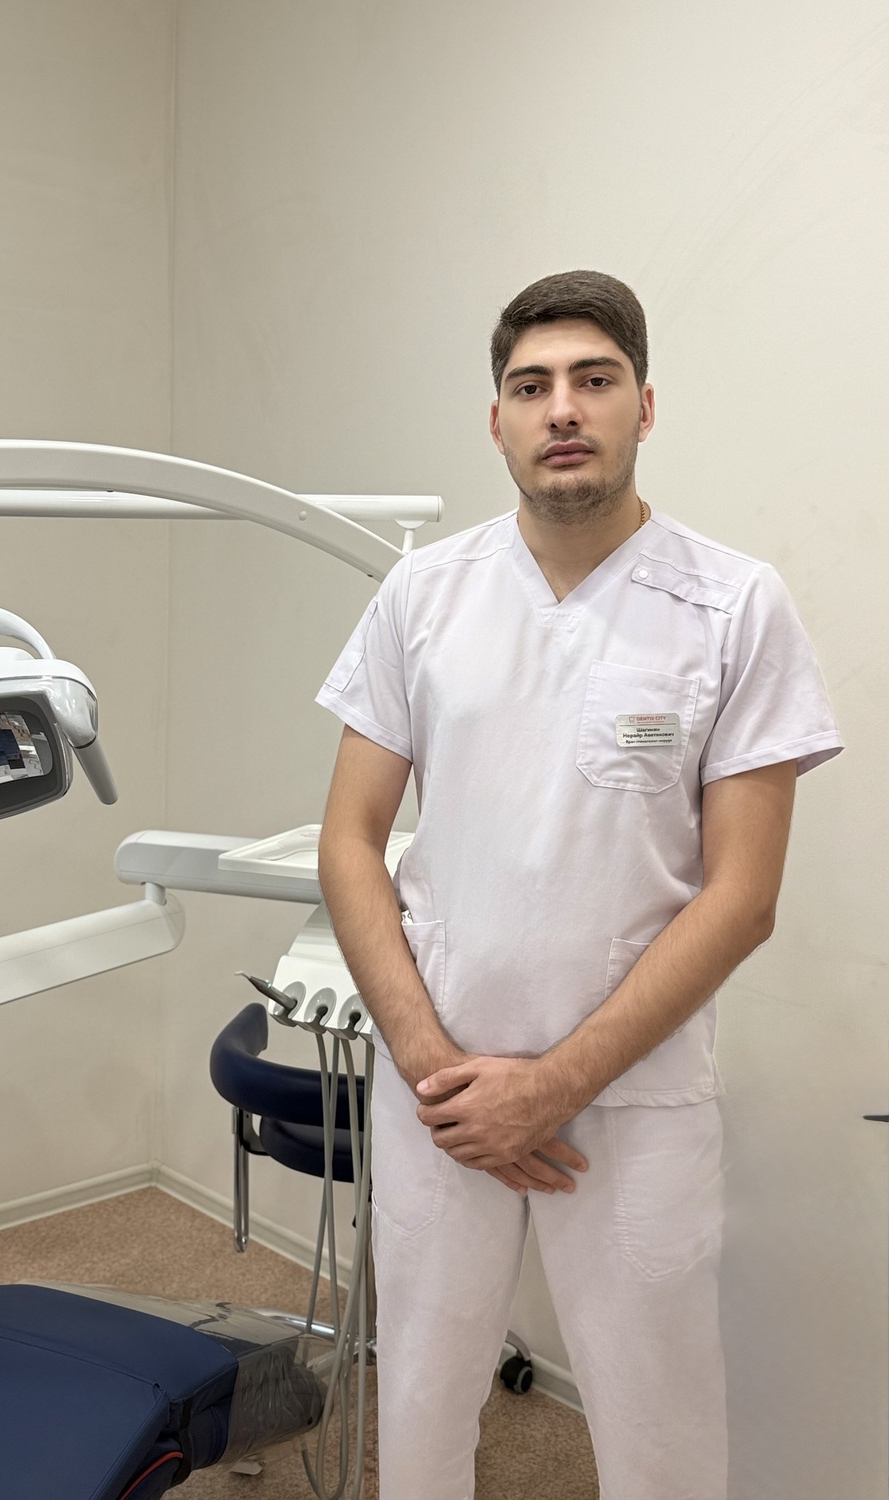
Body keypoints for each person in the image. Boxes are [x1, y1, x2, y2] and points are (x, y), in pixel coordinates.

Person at [314, 270, 843, 1500]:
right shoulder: (423, 596)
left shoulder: (733, 606)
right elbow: (349, 839)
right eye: (531, 385)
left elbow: (744, 895)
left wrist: (554, 1084)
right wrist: (431, 1064)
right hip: (439, 1092)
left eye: (594, 380)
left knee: (661, 1435)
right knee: (421, 1412)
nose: (562, 408)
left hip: (632, 1099)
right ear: (496, 420)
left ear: (643, 407)